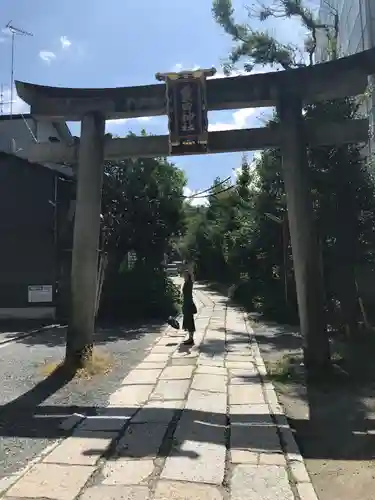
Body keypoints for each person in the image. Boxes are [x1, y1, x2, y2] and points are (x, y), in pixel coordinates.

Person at [182, 268, 196, 345]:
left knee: (190, 322)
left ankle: (191, 339)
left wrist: (187, 305)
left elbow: (188, 295)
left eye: (186, 275)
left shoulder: (189, 283)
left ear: (188, 276)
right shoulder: (186, 283)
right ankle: (190, 338)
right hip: (186, 303)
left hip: (188, 304)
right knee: (187, 321)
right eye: (184, 275)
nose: (184, 276)